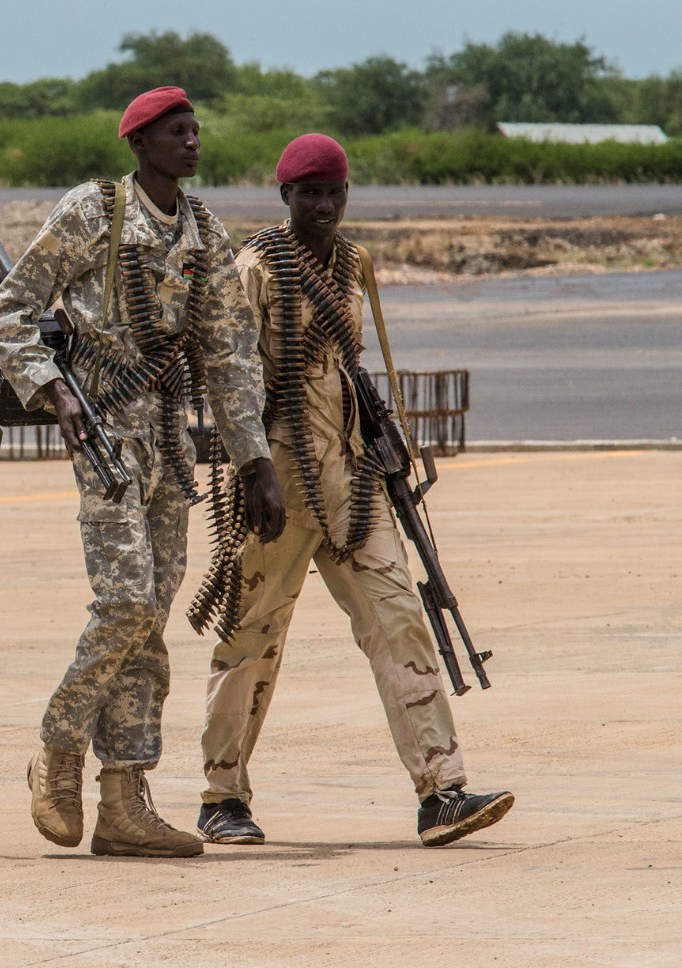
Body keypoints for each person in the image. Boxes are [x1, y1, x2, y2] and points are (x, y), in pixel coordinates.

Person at [0, 87, 283, 858]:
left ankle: (123, 800)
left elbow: (227, 353)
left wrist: (253, 458)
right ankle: (57, 744)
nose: (191, 143)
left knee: (148, 620)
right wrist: (51, 386)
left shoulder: (204, 230)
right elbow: (10, 309)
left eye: (194, 131)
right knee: (122, 603)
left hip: (166, 441)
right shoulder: (93, 211)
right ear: (139, 142)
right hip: (102, 431)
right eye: (175, 133)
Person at [196, 133, 514, 848]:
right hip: (275, 484)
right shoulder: (254, 268)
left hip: (352, 485)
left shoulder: (350, 266)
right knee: (250, 640)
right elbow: (232, 380)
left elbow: (353, 368)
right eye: (309, 193)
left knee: (399, 619)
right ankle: (220, 797)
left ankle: (441, 790)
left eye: (334, 192)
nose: (324, 206)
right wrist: (254, 471)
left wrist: (383, 440)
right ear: (285, 197)